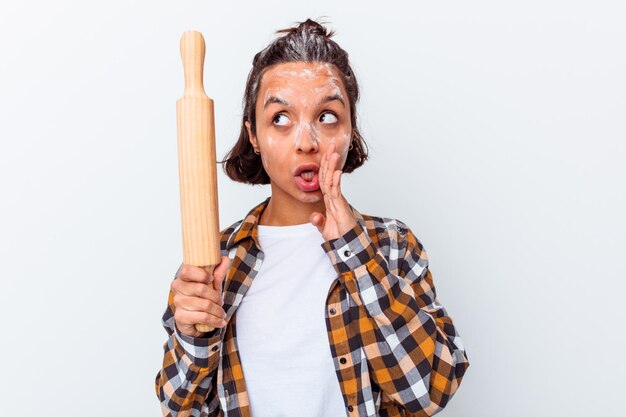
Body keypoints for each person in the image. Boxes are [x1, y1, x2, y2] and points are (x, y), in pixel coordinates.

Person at [155, 18, 470, 417]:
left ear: (350, 131)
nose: (306, 142)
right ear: (253, 135)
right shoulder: (215, 259)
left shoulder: (392, 246)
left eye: (326, 116)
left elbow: (430, 391)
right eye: (281, 119)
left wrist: (355, 255)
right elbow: (179, 409)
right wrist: (192, 336)